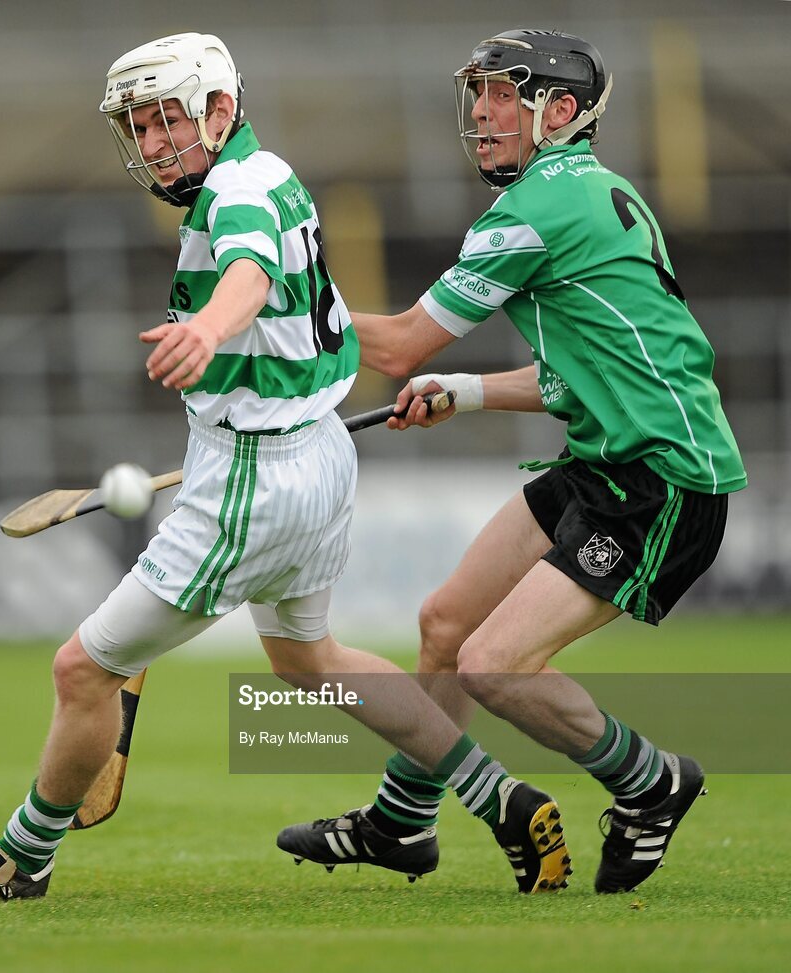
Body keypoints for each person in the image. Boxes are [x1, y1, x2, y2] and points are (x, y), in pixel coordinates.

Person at [0, 31, 557, 903]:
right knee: (310, 662)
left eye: (169, 119)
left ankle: (21, 859)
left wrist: (208, 329)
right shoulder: (269, 168)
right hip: (316, 454)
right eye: (139, 126)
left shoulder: (236, 192)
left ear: (220, 107)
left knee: (81, 669)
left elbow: (246, 269)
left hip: (256, 478)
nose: (154, 142)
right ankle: (498, 795)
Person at [277, 28, 746, 895]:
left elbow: (399, 344)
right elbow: (588, 373)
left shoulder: (536, 209)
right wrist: (467, 391)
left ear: (559, 112)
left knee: (494, 664)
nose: (482, 113)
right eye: (479, 95)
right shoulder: (591, 191)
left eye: (504, 95)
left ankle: (652, 781)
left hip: (665, 480)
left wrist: (265, 309)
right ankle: (403, 821)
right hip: (604, 459)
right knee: (446, 625)